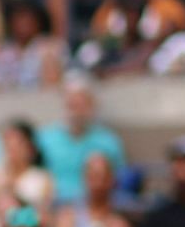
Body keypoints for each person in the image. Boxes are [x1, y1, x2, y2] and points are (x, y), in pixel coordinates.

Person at [35, 76, 123, 207]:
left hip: (94, 208)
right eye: (72, 104)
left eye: (81, 104)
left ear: (92, 105)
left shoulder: (108, 142)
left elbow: (118, 181)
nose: (76, 111)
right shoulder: (45, 139)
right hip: (52, 207)